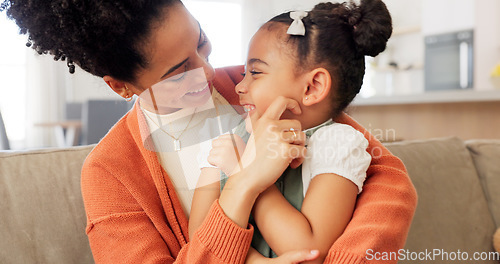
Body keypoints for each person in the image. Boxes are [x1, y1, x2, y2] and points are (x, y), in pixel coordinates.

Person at [1, 0, 417, 263]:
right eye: (179, 70)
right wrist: (242, 186)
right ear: (122, 86)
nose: (208, 70)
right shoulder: (110, 174)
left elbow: (386, 177)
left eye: (200, 41)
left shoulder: (258, 83)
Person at [190, 1, 398, 263]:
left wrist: (245, 171)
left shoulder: (337, 144)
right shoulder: (230, 141)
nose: (240, 86)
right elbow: (198, 240)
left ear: (312, 87)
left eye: (255, 72)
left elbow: (309, 250)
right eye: (244, 73)